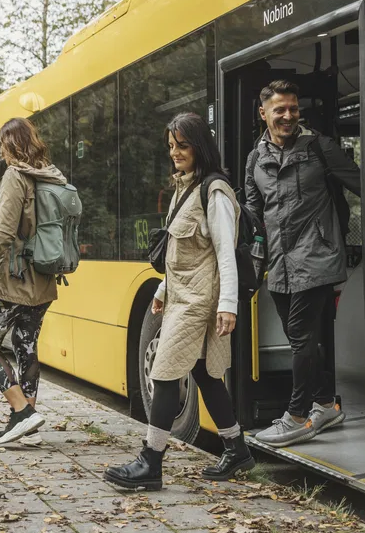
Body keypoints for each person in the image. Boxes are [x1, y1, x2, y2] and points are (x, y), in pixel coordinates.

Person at [103, 112, 255, 490]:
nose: (175, 153)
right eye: (171, 146)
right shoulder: (184, 188)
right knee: (205, 373)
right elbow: (179, 253)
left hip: (200, 302)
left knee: (164, 371)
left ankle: (150, 462)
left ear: (200, 146)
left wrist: (228, 305)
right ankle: (236, 448)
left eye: (182, 145)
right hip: (179, 297)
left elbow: (224, 253)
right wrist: (160, 292)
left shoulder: (215, 192)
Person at [245, 80, 361, 448]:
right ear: (264, 114)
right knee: (302, 339)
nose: (288, 116)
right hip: (278, 263)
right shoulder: (255, 158)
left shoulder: (319, 148)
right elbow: (252, 212)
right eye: (280, 109)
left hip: (318, 256)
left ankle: (296, 416)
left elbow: (364, 184)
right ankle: (325, 403)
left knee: (302, 339)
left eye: (293, 109)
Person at [0, 117, 68, 445]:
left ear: (8, 146)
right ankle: (29, 421)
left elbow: (4, 232)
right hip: (43, 279)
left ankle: (22, 412)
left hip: (11, 280)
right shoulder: (50, 176)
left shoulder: (16, 177)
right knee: (26, 346)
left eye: (3, 146)